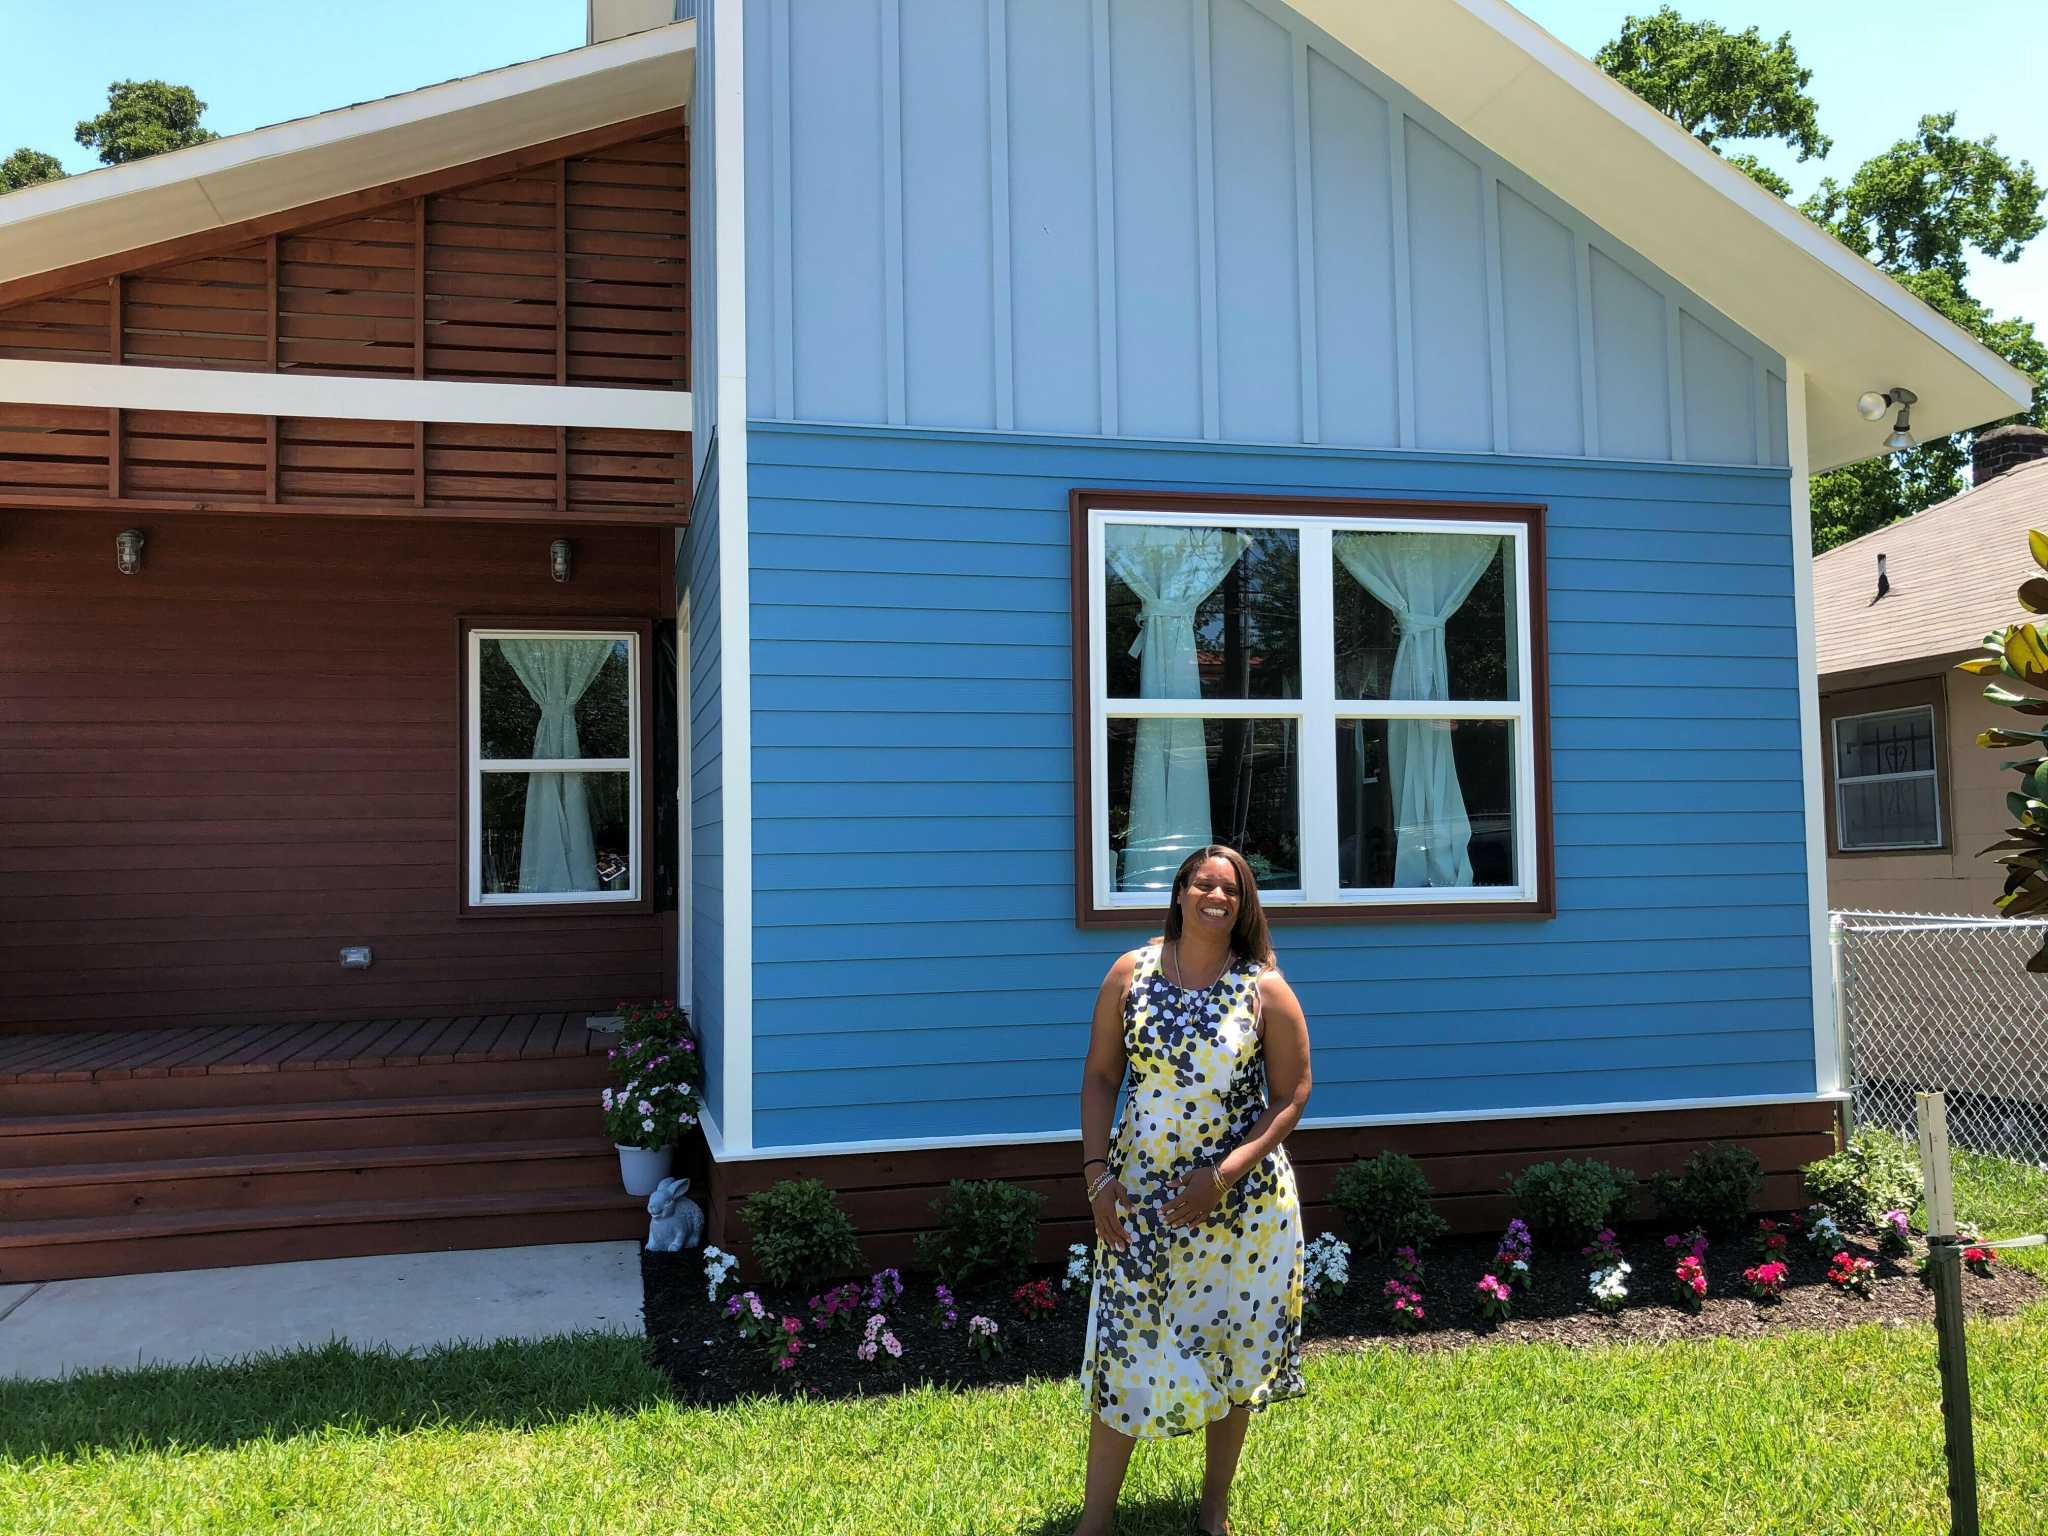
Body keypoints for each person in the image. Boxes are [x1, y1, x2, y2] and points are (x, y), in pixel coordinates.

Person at [1073, 845, 1312, 1536]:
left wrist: (1224, 1175)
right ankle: (1096, 1522)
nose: (1216, 896)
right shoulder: (1131, 973)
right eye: (1203, 883)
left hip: (1241, 1207)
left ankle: (1214, 1510)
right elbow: (1098, 1078)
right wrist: (1097, 1176)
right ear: (1179, 893)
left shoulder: (1263, 987)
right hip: (1139, 1198)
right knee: (1124, 1346)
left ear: (1243, 906)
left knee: (1231, 1350)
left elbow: (1292, 1094)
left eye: (1230, 889)